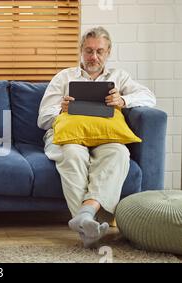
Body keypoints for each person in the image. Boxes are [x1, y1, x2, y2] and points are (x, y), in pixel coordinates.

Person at [37, 27, 156, 248]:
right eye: (89, 51)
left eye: (99, 51)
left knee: (120, 152)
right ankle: (91, 224)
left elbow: (149, 97)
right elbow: (43, 118)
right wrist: (61, 110)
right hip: (68, 136)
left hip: (106, 137)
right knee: (72, 154)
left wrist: (123, 101)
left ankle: (85, 218)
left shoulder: (119, 77)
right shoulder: (64, 77)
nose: (94, 57)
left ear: (108, 52)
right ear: (81, 51)